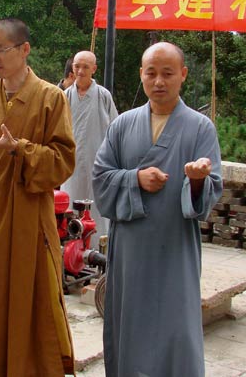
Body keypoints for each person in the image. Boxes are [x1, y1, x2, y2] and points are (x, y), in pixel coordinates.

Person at [0, 18, 76, 377]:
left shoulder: (51, 97)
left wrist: (18, 149)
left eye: (1, 49)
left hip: (29, 219)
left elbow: (64, 159)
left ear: (24, 49)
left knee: (32, 303)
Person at [92, 42, 223, 377]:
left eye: (167, 73)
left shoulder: (200, 128)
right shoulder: (122, 125)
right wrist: (135, 178)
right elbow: (101, 176)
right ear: (141, 75)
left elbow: (212, 188)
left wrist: (196, 181)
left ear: (183, 75)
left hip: (175, 246)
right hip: (132, 248)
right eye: (151, 73)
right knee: (131, 321)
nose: (159, 81)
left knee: (175, 325)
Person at [61, 50, 118, 242]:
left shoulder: (103, 95)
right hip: (72, 164)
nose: (80, 71)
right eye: (77, 66)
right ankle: (70, 251)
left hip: (98, 162)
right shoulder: (65, 96)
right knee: (70, 206)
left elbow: (114, 130)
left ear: (94, 69)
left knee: (98, 208)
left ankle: (99, 248)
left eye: (86, 67)